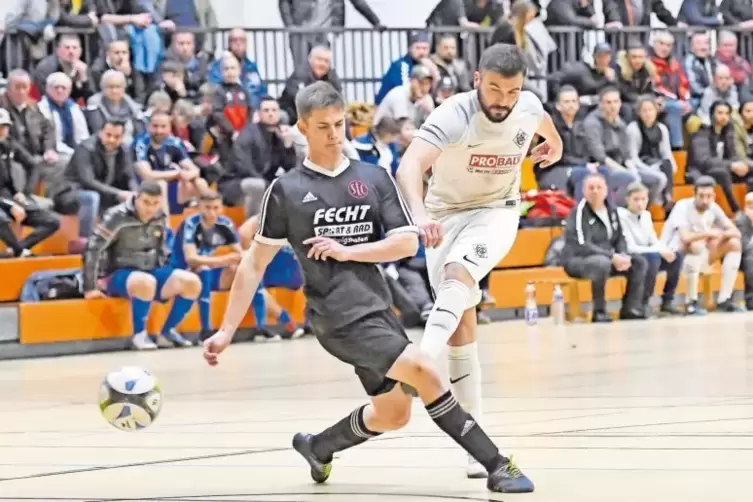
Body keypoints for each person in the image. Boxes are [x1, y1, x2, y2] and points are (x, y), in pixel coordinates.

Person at [202, 81, 534, 494]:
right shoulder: (285, 190)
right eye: (323, 126)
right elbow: (253, 265)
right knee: (427, 371)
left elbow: (406, 241)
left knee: (394, 413)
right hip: (336, 316)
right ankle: (498, 465)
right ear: (303, 128)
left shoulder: (372, 177)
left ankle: (318, 447)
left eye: (339, 124)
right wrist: (227, 330)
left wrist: (348, 251)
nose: (334, 134)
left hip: (376, 308)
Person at [395, 43, 560, 479]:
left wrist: (554, 147)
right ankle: (474, 446)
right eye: (494, 90)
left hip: (498, 210)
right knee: (462, 334)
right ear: (476, 82)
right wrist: (420, 214)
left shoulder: (527, 106)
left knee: (459, 273)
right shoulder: (453, 114)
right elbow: (409, 167)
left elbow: (547, 127)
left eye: (512, 91)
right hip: (444, 216)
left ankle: (420, 361)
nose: (503, 101)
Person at [83, 181, 201, 350]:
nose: (150, 208)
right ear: (136, 198)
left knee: (191, 281)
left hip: (151, 270)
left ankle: (167, 332)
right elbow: (93, 249)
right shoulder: (116, 216)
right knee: (145, 282)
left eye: (155, 203)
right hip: (118, 274)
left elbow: (164, 249)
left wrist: (169, 270)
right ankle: (139, 335)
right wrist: (90, 287)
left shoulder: (160, 216)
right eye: (146, 202)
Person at [561, 173, 648, 322]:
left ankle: (630, 308)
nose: (595, 191)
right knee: (601, 263)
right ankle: (599, 311)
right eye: (591, 188)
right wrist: (611, 256)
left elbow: (620, 237)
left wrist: (623, 255)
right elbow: (582, 244)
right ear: (584, 191)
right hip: (577, 260)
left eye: (599, 187)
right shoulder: (579, 213)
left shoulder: (612, 210)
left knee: (639, 262)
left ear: (606, 190)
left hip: (606, 257)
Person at [660, 176, 745, 314]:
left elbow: (736, 232)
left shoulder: (713, 207)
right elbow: (685, 237)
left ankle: (724, 299)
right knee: (694, 246)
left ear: (714, 196)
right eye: (701, 196)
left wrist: (720, 235)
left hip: (703, 253)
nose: (705, 200)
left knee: (734, 244)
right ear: (694, 195)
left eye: (709, 196)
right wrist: (709, 234)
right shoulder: (682, 206)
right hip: (676, 254)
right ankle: (691, 302)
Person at [170, 191, 244, 341]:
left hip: (206, 268)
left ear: (222, 208)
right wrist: (224, 259)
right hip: (180, 269)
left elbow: (240, 253)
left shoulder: (225, 223)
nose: (212, 212)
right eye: (207, 207)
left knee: (241, 270)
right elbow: (191, 259)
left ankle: (259, 326)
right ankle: (206, 329)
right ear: (199, 207)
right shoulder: (191, 223)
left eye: (216, 207)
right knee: (204, 270)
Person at [617, 182, 683, 316]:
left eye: (643, 199)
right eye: (636, 199)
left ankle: (667, 301)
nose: (640, 203)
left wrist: (665, 250)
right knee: (652, 258)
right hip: (629, 257)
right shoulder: (621, 216)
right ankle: (643, 303)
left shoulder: (646, 215)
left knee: (676, 257)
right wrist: (657, 251)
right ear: (627, 199)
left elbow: (653, 240)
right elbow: (630, 247)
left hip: (646, 253)